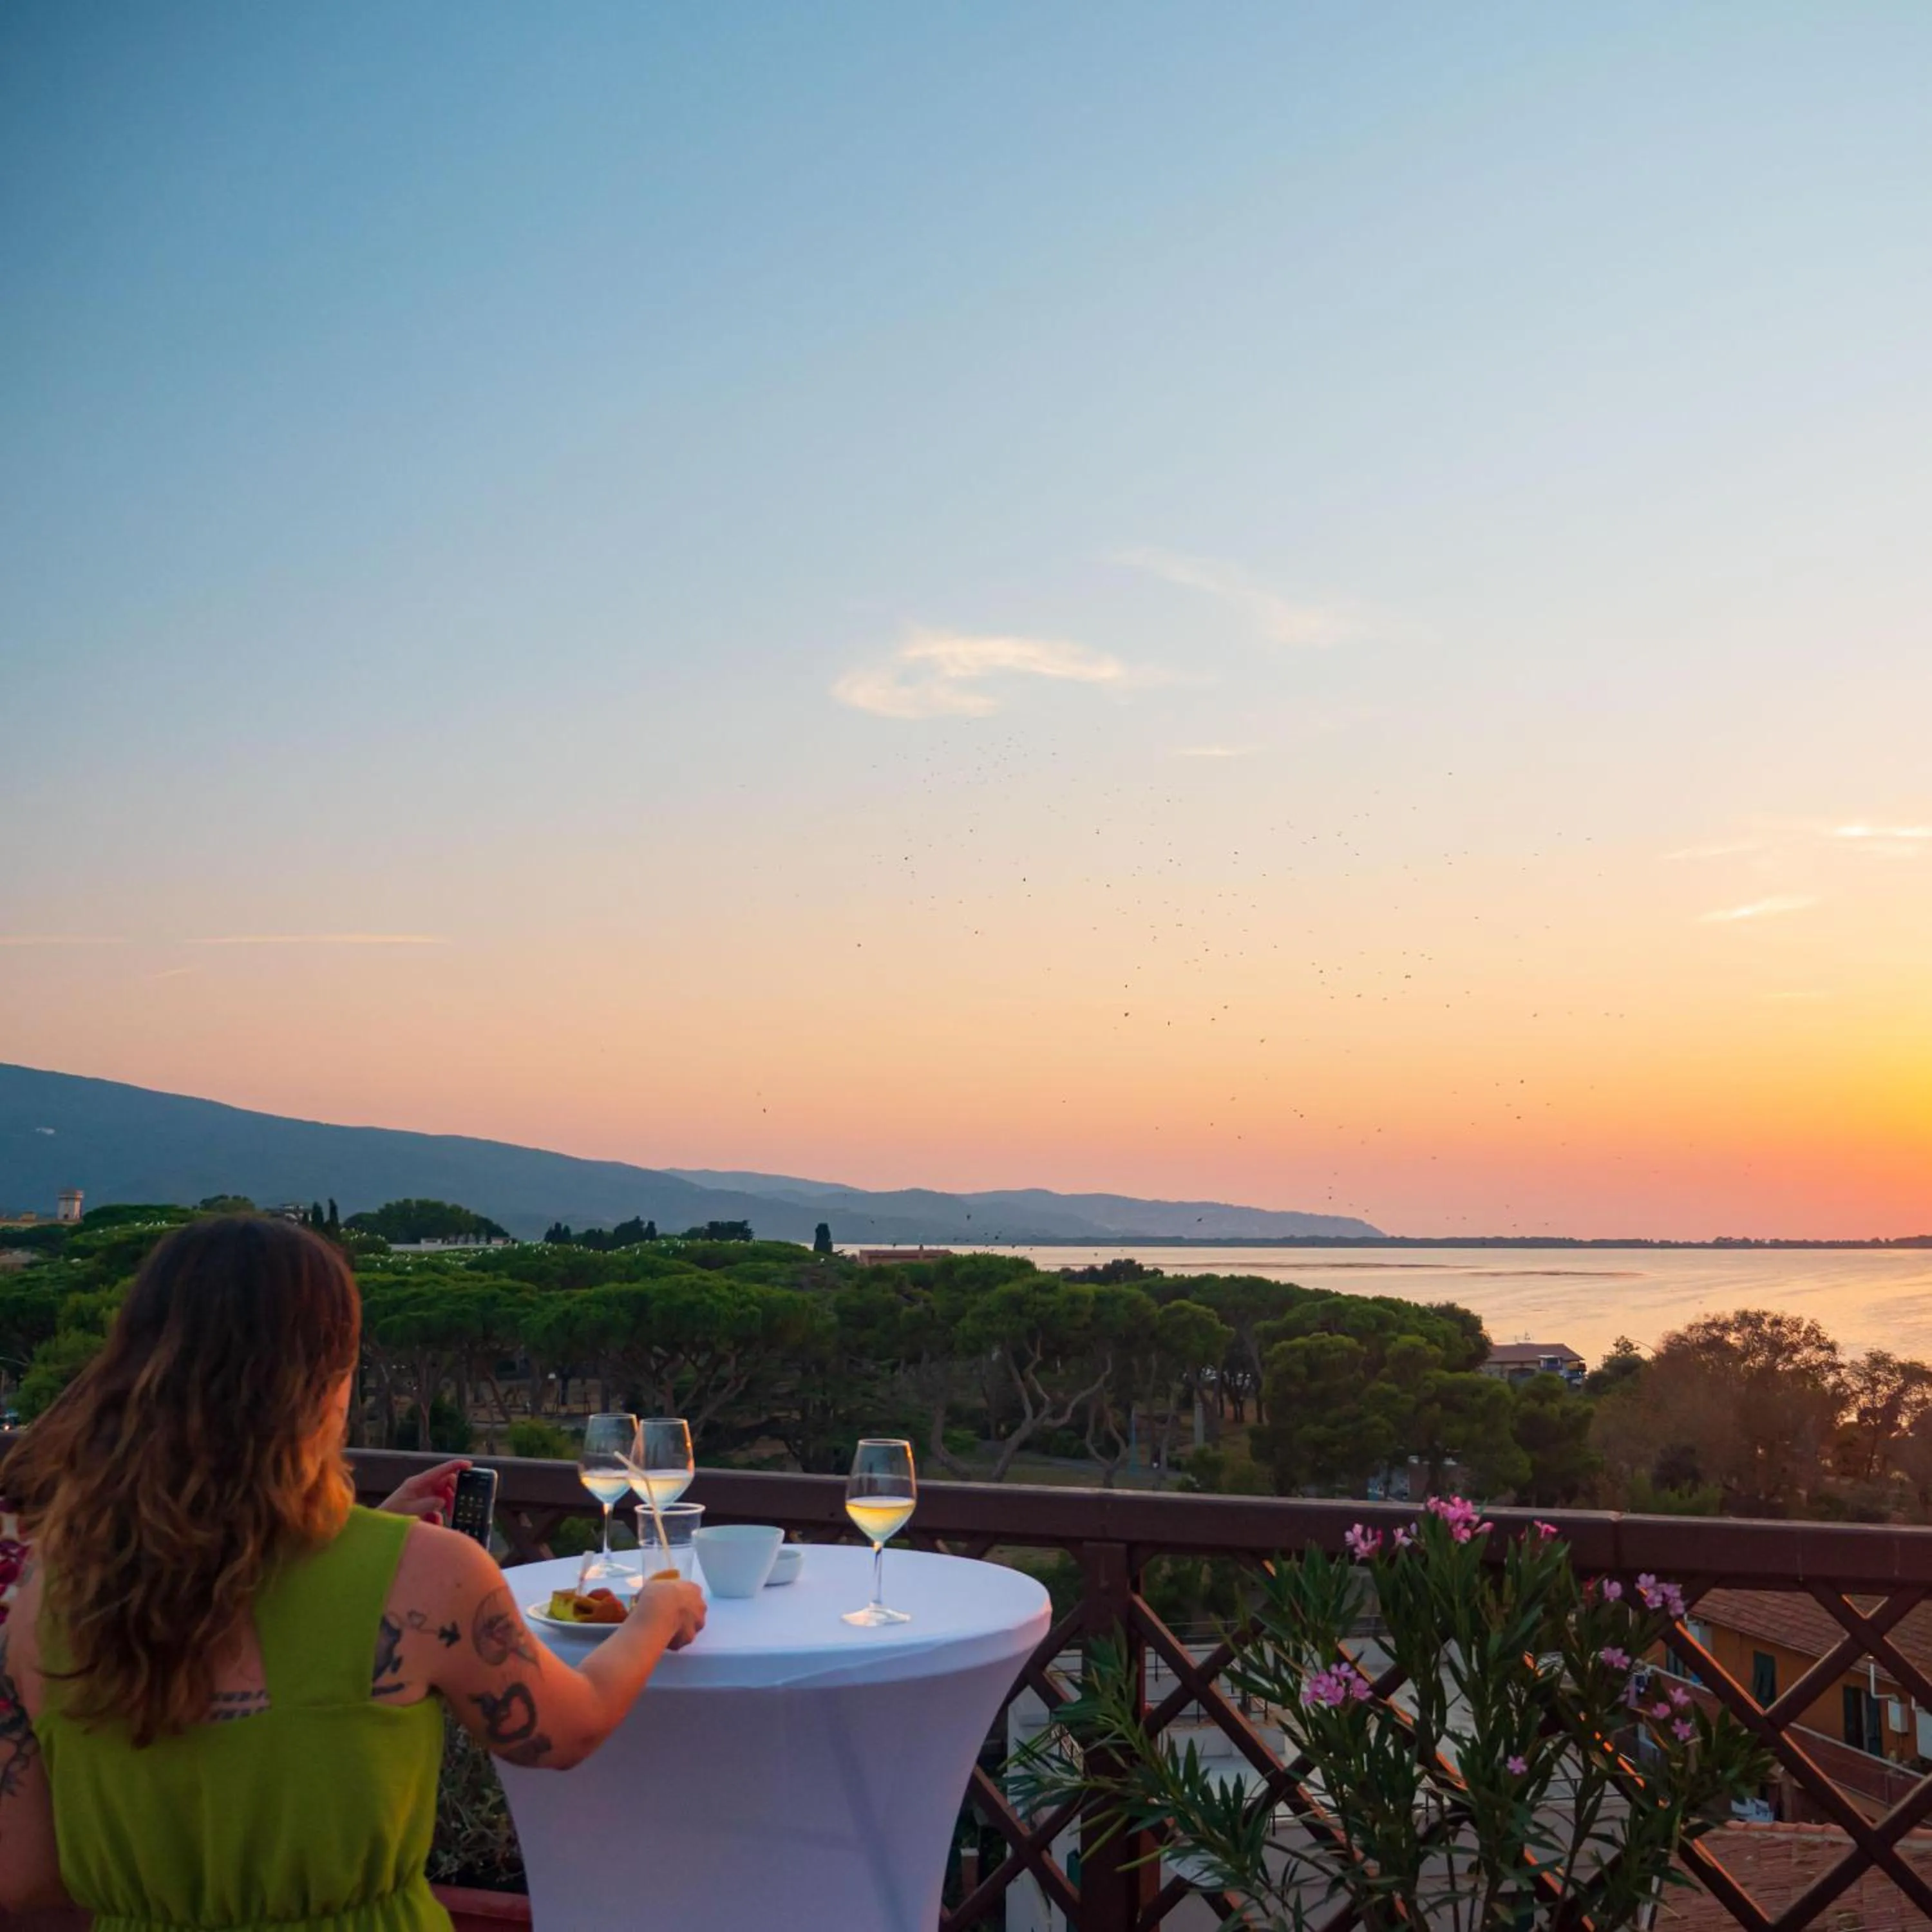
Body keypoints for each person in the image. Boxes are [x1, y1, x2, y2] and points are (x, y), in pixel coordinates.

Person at [0, 1215, 705, 1925]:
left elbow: (23, 1879)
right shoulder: (430, 1576)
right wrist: (655, 1616)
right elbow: (567, 1730)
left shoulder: (47, 1595)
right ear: (327, 1380)